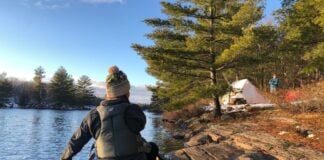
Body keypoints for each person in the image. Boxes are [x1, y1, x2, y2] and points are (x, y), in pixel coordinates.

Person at [61, 66, 159, 160]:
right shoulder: (134, 110)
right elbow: (141, 125)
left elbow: (75, 143)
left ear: (108, 93)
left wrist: (65, 158)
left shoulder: (93, 115)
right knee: (153, 147)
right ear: (126, 92)